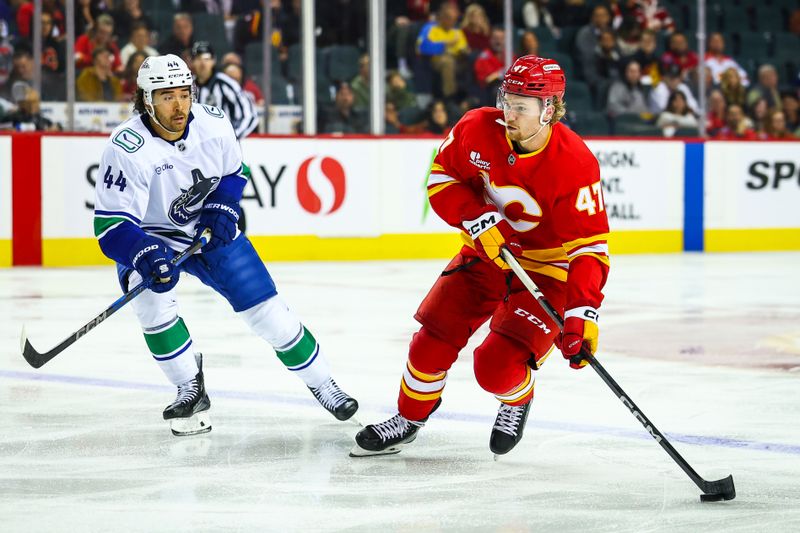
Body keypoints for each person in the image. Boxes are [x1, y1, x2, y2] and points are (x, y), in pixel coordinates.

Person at [352, 55, 610, 457]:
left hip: (546, 272)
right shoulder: (476, 126)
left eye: (522, 107)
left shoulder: (575, 163)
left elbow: (590, 250)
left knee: (493, 366)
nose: (509, 113)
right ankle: (409, 417)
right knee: (429, 343)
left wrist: (581, 314)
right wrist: (475, 219)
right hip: (485, 255)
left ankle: (517, 399)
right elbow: (441, 178)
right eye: (507, 100)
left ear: (550, 110)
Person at [93, 54, 358, 436]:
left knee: (269, 314)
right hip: (153, 238)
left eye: (185, 93)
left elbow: (235, 172)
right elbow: (111, 225)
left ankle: (323, 382)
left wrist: (223, 207)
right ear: (146, 100)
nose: (180, 105)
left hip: (209, 232)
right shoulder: (126, 147)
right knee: (150, 303)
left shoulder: (214, 123)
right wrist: (145, 254)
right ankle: (190, 386)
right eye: (167, 96)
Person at [191, 41, 258, 140]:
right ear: (192, 62)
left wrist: (232, 137)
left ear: (213, 60)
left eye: (206, 58)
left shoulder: (226, 84)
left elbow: (250, 116)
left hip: (222, 146)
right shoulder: (187, 85)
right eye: (198, 59)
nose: (202, 63)